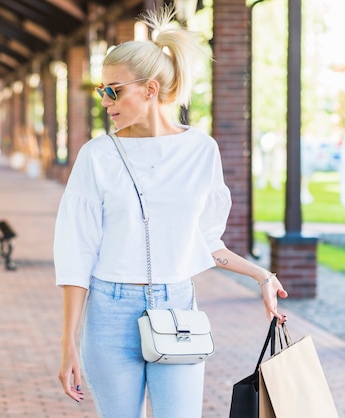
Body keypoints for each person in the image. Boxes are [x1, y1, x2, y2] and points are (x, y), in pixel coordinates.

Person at [53, 6, 288, 418]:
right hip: (109, 312)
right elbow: (76, 254)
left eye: (114, 90)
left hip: (177, 308)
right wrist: (67, 342)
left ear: (150, 88)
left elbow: (205, 242)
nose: (105, 100)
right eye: (101, 90)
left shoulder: (201, 151)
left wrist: (262, 275)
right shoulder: (97, 156)